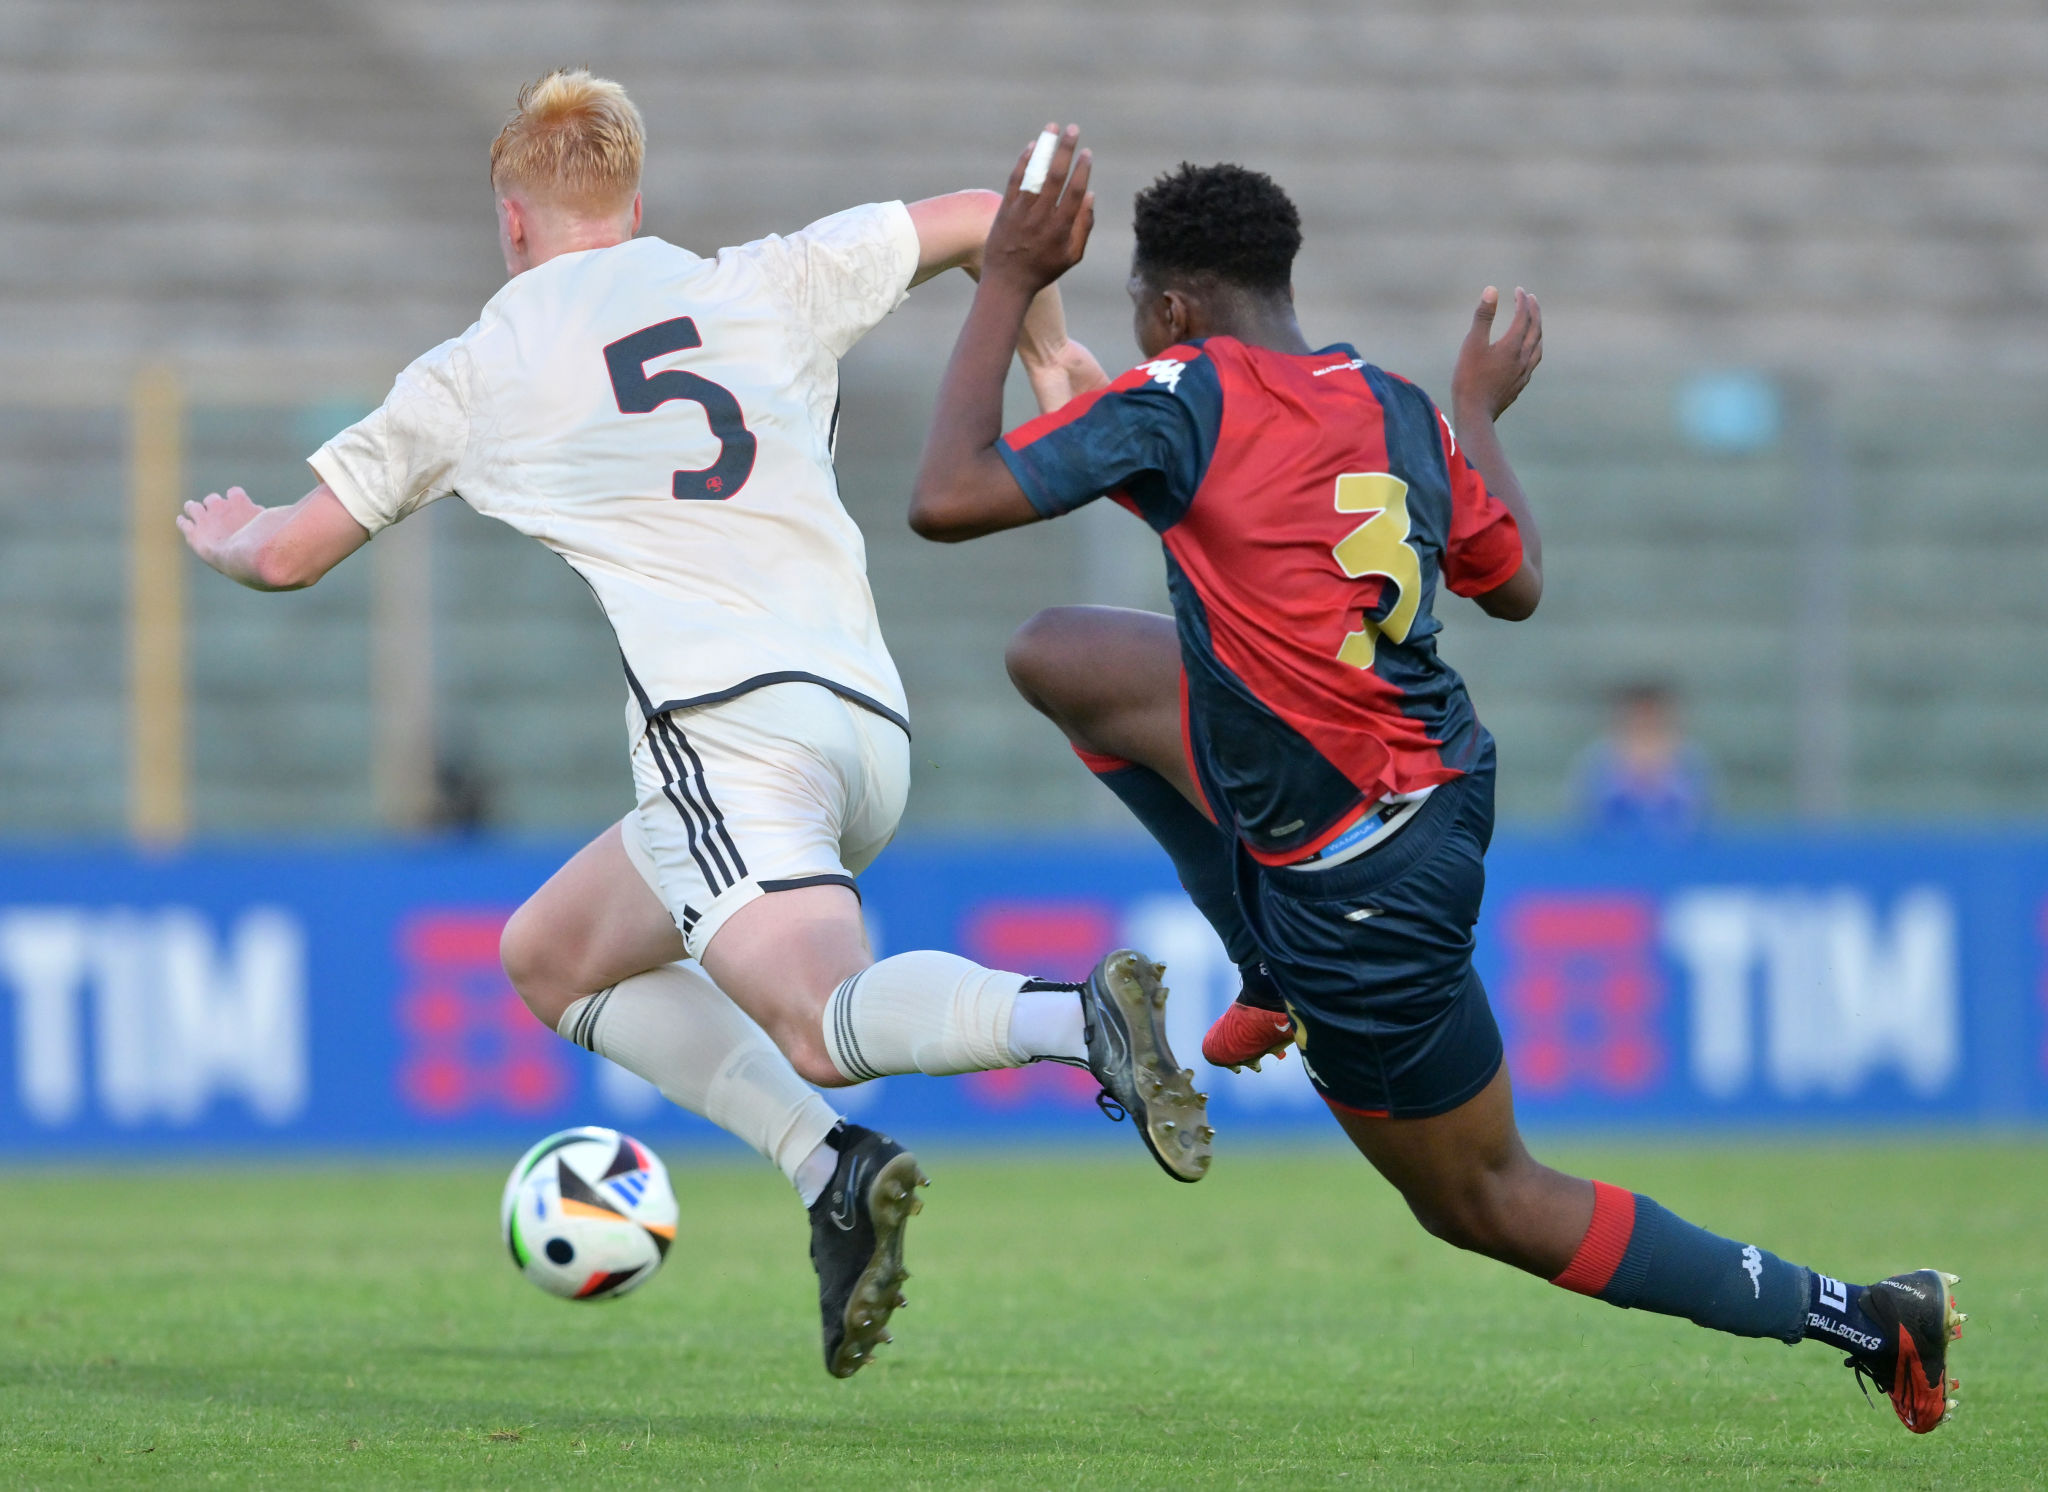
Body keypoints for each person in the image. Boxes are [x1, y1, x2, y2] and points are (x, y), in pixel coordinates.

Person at [905, 128, 1963, 1434]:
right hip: (1426, 784)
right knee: (1062, 656)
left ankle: (1867, 1315)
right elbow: (1507, 582)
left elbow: (946, 495)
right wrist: (1473, 412)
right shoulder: (1387, 403)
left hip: (1356, 873)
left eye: (1150, 322)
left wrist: (1005, 273)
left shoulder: (1179, 393)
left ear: (1173, 310)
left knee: (1486, 1198)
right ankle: (1266, 967)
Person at [175, 75, 1211, 1380]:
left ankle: (1080, 1024)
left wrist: (227, 540)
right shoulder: (758, 280)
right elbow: (983, 218)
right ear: (635, 206)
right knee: (551, 954)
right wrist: (1047, 349)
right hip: (865, 726)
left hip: (730, 735)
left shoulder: (481, 367)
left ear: (512, 222)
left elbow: (289, 558)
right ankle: (832, 1173)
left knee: (817, 1022)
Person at [1571, 681, 1713, 837]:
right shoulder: (1599, 760)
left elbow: (1704, 819)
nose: (1644, 722)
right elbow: (1584, 817)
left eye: (1651, 714)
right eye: (1638, 715)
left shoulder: (1690, 760)